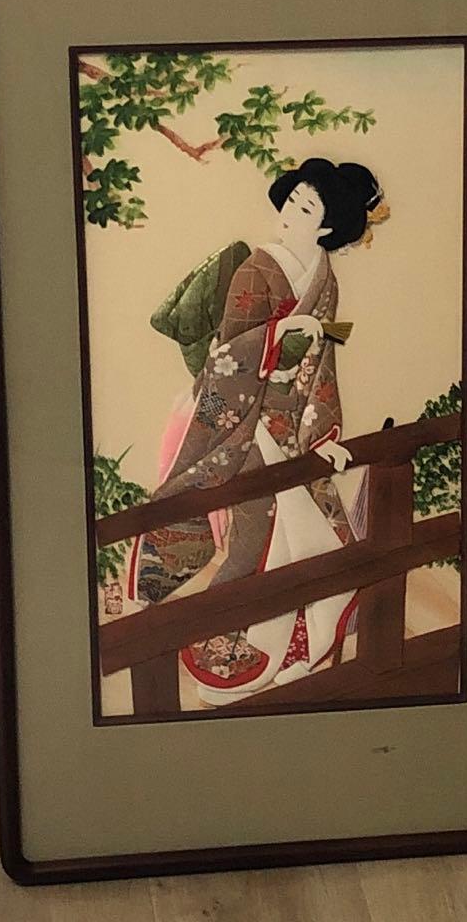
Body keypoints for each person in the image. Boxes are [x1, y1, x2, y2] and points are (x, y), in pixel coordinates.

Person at [126, 158, 383, 705]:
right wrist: (278, 336)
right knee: (255, 542)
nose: (290, 212)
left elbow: (323, 361)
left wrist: (323, 433)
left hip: (295, 426)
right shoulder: (256, 270)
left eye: (306, 208)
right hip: (246, 424)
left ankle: (297, 655)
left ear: (328, 226)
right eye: (292, 200)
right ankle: (223, 661)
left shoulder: (325, 280)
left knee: (321, 540)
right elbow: (225, 356)